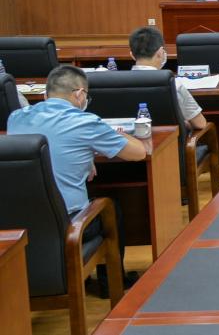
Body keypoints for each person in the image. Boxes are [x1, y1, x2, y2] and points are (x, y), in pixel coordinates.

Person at [7, 65, 147, 293]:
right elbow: (138, 152)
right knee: (111, 207)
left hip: (21, 220)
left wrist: (86, 155)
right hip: (69, 224)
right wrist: (114, 134)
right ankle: (111, 283)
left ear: (46, 94)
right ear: (80, 94)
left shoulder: (15, 118)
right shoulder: (85, 122)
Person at [128, 26, 207, 132]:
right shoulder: (172, 83)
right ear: (160, 52)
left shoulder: (114, 83)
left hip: (131, 140)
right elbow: (200, 124)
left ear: (132, 55)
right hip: (172, 141)